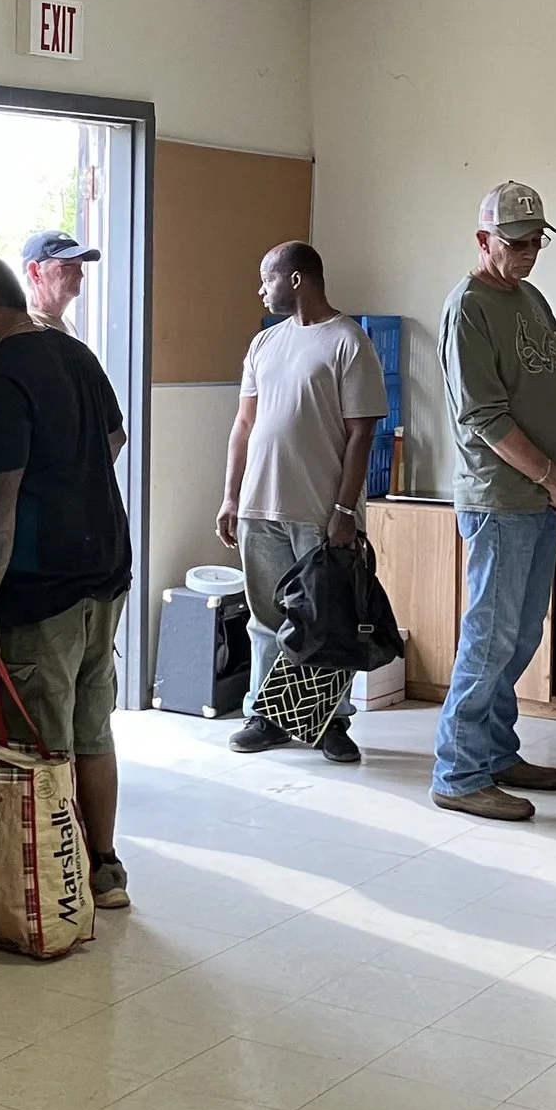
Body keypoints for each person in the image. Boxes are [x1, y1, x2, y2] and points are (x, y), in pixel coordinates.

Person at [0, 252, 135, 908]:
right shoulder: (73, 356)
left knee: (36, 739)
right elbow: (114, 437)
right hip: (102, 575)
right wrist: (68, 489)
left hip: (41, 590)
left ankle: (53, 886)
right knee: (90, 727)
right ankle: (102, 868)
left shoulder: (1, 382)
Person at [431, 182, 556, 822]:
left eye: (535, 241)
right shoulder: (468, 308)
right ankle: (459, 772)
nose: (527, 254)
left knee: (520, 634)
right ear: (483, 239)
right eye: (515, 243)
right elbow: (485, 416)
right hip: (502, 497)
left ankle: (495, 752)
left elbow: (554, 385)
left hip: (544, 491)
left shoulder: (531, 298)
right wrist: (549, 474)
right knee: (489, 637)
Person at [216, 241, 390, 763]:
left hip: (319, 512)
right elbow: (244, 424)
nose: (260, 290)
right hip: (258, 507)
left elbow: (362, 435)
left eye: (266, 279)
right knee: (265, 617)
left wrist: (343, 511)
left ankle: (330, 722)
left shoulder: (348, 341)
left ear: (296, 280)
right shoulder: (264, 344)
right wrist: (230, 497)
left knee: (326, 620)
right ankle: (265, 715)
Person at [21, 229, 99, 334]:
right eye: (68, 266)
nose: (80, 274)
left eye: (80, 266)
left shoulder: (66, 324)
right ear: (35, 273)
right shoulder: (25, 328)